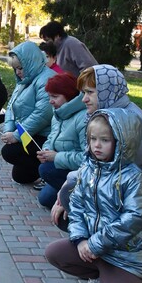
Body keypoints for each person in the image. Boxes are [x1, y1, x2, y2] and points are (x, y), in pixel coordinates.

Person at [51, 64, 142, 283]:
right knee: (69, 201)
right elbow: (93, 171)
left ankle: (139, 269)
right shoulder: (108, 115)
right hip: (122, 200)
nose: (83, 98)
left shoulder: (129, 123)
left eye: (90, 92)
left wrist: (65, 192)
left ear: (108, 91)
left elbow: (111, 175)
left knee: (70, 197)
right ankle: (103, 266)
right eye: (83, 92)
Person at [45, 109, 142, 283]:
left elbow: (134, 218)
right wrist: (80, 240)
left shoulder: (134, 178)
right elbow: (76, 206)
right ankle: (100, 276)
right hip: (95, 251)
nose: (97, 145)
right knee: (54, 253)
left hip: (126, 257)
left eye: (105, 140)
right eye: (92, 138)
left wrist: (95, 244)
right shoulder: (88, 169)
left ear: (122, 142)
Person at [0, 41, 56, 183]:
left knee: (9, 152)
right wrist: (8, 131)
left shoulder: (47, 79)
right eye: (15, 69)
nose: (18, 72)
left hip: (45, 136)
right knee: (20, 177)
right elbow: (11, 108)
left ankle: (48, 173)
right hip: (30, 133)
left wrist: (17, 136)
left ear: (30, 63)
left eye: (20, 68)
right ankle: (42, 171)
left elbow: (43, 114)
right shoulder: (24, 81)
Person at [35, 72, 87, 208]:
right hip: (63, 166)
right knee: (44, 199)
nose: (50, 101)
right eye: (49, 96)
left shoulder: (83, 119)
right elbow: (52, 136)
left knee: (46, 169)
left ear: (69, 95)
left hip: (79, 173)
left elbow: (87, 158)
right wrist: (46, 150)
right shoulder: (58, 112)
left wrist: (57, 157)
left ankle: (82, 199)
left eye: (55, 96)